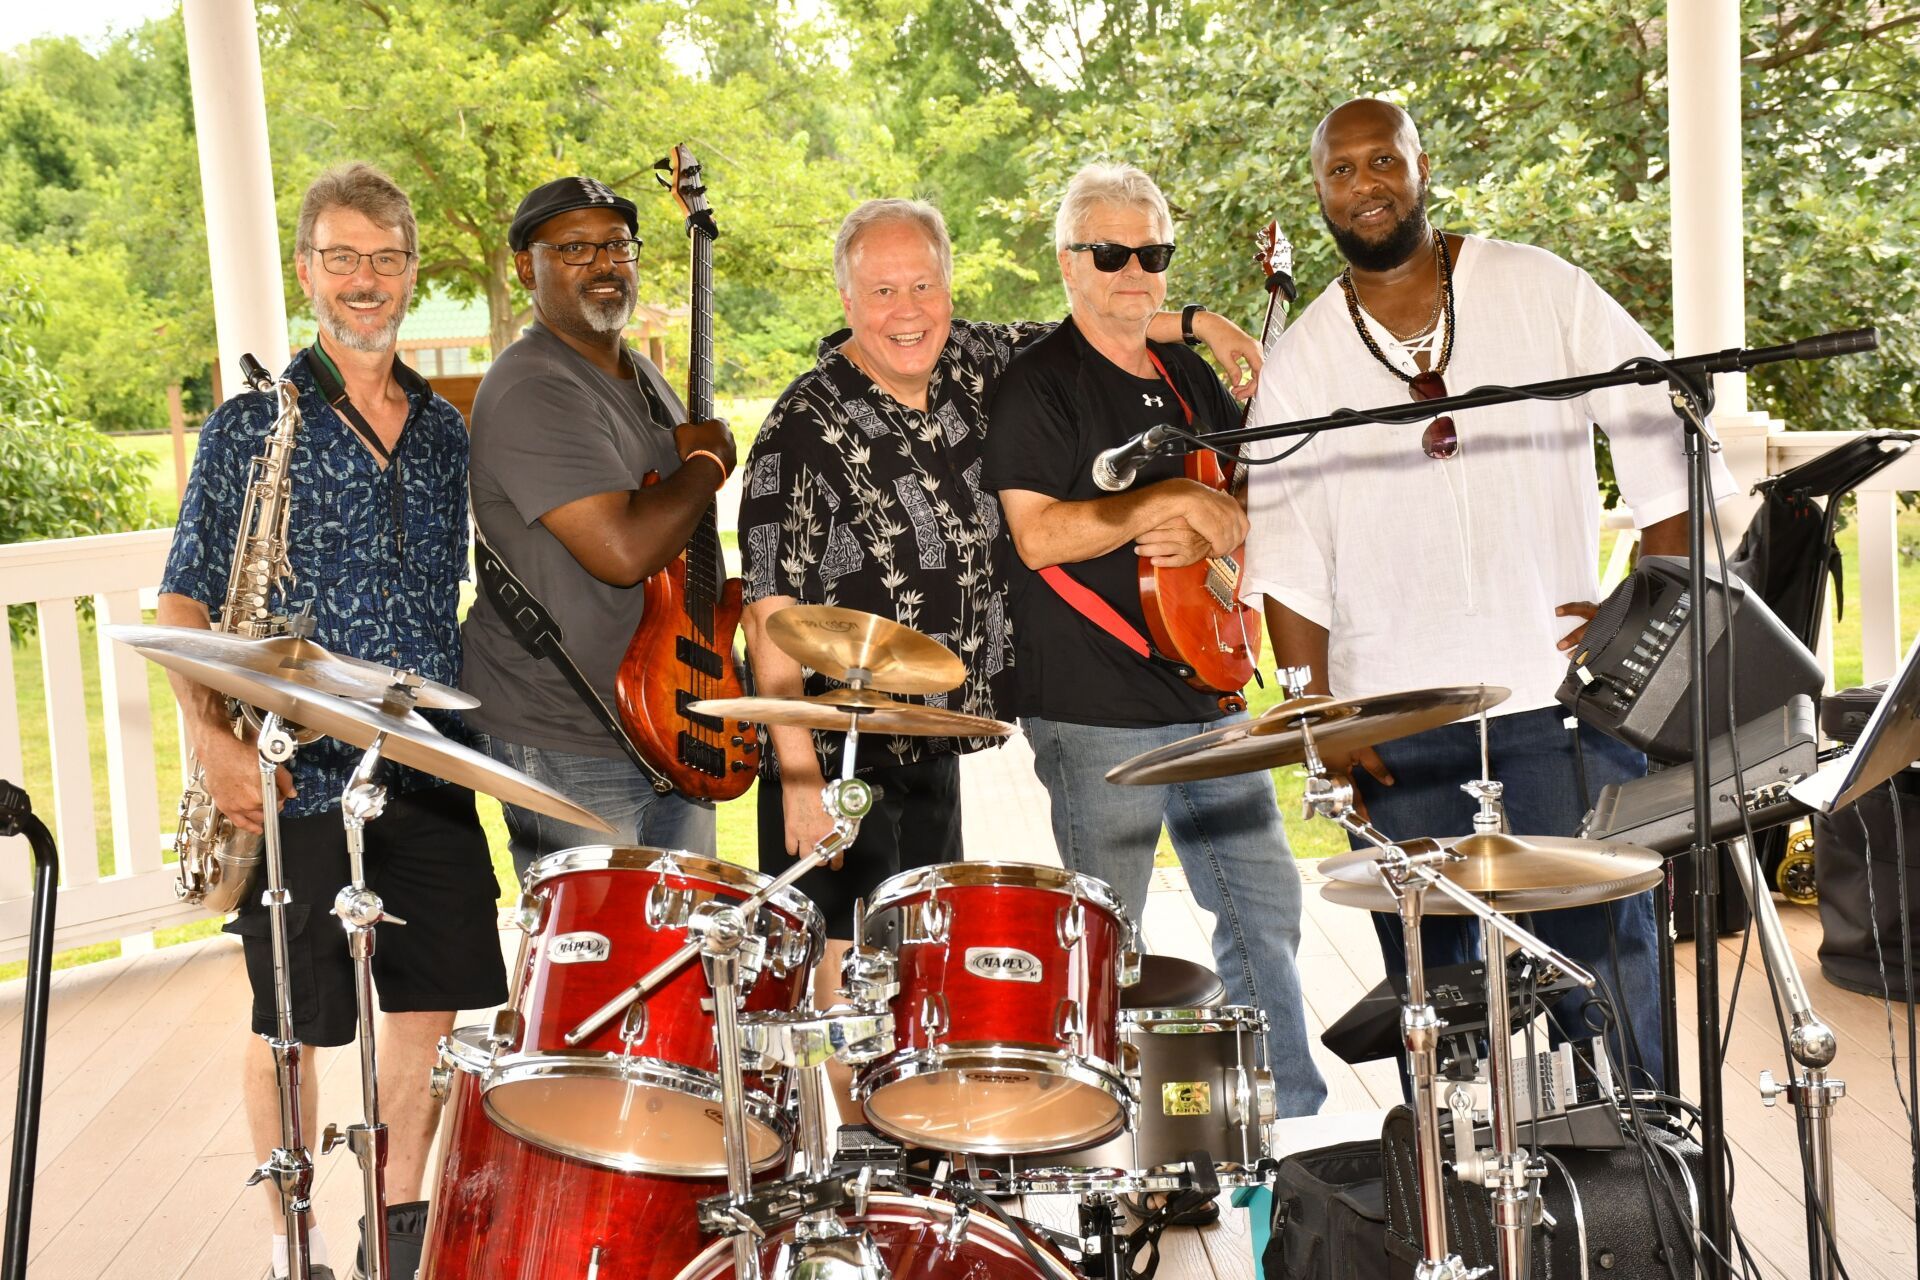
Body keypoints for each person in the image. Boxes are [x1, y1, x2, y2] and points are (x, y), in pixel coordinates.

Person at [1241, 98, 1734, 1089]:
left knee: (1610, 983)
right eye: (1342, 170)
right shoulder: (1301, 362)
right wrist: (1315, 706)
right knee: (1447, 1023)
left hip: (1557, 706)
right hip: (1396, 731)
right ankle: (1473, 1224)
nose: (1366, 184)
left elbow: (1663, 436)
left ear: (1423, 166)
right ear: (1320, 191)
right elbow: (1285, 552)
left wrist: (1645, 604)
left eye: (1384, 159)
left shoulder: (1536, 285)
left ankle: (1645, 1210)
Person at [738, 196, 1263, 949]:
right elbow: (767, 611)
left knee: (918, 990)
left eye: (924, 286)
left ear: (949, 288)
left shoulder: (975, 363)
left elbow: (1092, 325)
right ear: (848, 301)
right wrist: (799, 782)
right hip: (833, 754)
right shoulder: (801, 424)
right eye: (883, 292)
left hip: (929, 740)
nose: (907, 311)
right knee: (839, 1003)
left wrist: (1197, 323)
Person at [158, 163, 508, 1280]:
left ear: (413, 270)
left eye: (387, 257)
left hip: (427, 765)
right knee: (294, 1019)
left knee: (425, 1010)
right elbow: (182, 596)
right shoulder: (249, 426)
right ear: (308, 270)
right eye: (343, 257)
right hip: (295, 768)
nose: (367, 279)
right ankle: (291, 1240)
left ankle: (393, 1234)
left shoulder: (449, 433)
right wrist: (211, 735)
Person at [982, 164, 1327, 1117]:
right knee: (1104, 933)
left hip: (1208, 687)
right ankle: (1093, 1138)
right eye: (1111, 251)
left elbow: (1249, 493)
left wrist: (1220, 517)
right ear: (1069, 261)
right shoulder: (1035, 385)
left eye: (1152, 253)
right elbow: (1038, 531)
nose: (1133, 271)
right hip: (1092, 704)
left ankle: (1281, 1123)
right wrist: (1163, 501)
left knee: (1263, 908)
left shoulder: (1186, 372)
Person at [462, 176, 736, 879]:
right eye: (576, 249)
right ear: (527, 266)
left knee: (678, 952)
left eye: (618, 246)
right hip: (567, 734)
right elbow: (623, 550)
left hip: (669, 717)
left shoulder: (641, 374)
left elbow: (680, 545)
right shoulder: (533, 386)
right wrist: (707, 461)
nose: (606, 266)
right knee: (595, 965)